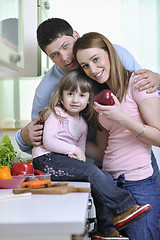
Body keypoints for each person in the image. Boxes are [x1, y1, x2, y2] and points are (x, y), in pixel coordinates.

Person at [15, 18, 160, 190]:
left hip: (136, 158)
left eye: (65, 46)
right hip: (85, 167)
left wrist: (157, 78)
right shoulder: (46, 90)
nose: (66, 57)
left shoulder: (113, 54)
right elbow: (40, 138)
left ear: (75, 35)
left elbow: (144, 91)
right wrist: (22, 137)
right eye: (55, 55)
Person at [32, 69, 151, 240]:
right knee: (92, 172)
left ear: (89, 100)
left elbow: (80, 149)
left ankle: (106, 229)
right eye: (70, 94)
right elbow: (49, 141)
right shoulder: (56, 114)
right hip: (46, 161)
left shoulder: (82, 123)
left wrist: (78, 156)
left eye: (82, 95)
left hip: (63, 163)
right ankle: (125, 206)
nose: (75, 99)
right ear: (61, 96)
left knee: (105, 177)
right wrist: (74, 151)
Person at [73, 32, 160, 240]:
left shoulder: (139, 82)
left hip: (138, 184)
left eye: (96, 59)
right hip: (109, 186)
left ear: (109, 53)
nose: (92, 70)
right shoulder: (100, 96)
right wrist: (65, 142)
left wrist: (122, 118)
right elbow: (103, 151)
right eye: (85, 65)